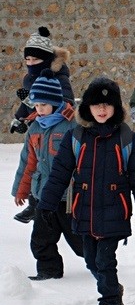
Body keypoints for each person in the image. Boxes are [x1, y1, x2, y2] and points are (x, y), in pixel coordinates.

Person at [38, 77, 135, 305]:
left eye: (107, 105)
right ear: (87, 108)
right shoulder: (76, 137)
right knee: (91, 260)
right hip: (84, 209)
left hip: (115, 210)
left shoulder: (128, 139)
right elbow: (59, 174)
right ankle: (114, 291)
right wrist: (46, 205)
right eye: (96, 105)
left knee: (104, 260)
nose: (101, 110)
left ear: (115, 108)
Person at [11, 69, 83, 281]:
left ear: (55, 102)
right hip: (42, 194)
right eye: (36, 105)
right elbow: (28, 162)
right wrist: (21, 189)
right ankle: (49, 270)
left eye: (43, 105)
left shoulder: (71, 126)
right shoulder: (34, 128)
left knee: (79, 242)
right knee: (41, 239)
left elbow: (84, 159)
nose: (39, 109)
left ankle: (100, 259)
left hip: (67, 197)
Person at [12, 26, 75, 224]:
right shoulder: (29, 78)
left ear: (46, 59)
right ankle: (34, 201)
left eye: (35, 60)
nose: (31, 64)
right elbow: (31, 102)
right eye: (27, 60)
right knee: (34, 162)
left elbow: (65, 101)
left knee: (52, 165)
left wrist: (35, 107)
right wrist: (20, 118)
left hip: (57, 127)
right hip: (39, 126)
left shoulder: (60, 77)